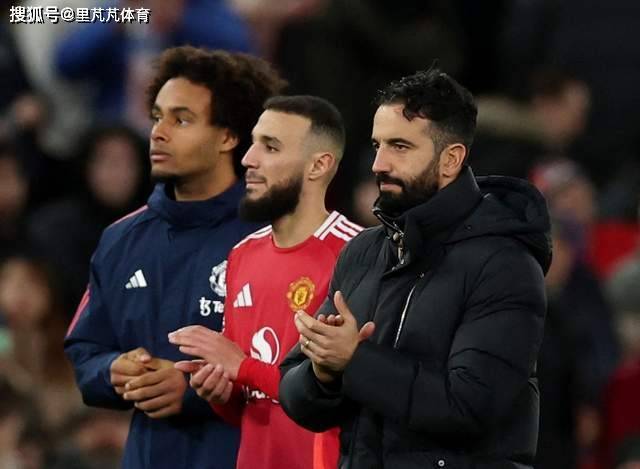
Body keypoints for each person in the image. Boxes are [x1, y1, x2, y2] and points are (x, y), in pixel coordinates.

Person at [278, 67, 552, 468]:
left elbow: (469, 406)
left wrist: (354, 360)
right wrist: (322, 373)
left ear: (451, 159)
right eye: (377, 145)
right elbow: (293, 390)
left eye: (400, 146)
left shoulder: (505, 264)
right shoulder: (364, 252)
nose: (378, 164)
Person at [64, 46, 286, 469]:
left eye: (181, 119)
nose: (158, 133)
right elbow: (85, 352)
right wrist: (114, 370)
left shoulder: (275, 237)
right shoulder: (120, 239)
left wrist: (193, 391)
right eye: (157, 117)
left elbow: (299, 376)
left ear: (228, 137)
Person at [168, 95, 362, 469]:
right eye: (253, 143)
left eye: (270, 147)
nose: (248, 159)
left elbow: (348, 394)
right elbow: (246, 406)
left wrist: (242, 367)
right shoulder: (242, 255)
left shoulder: (357, 254)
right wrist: (220, 391)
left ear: (318, 165)